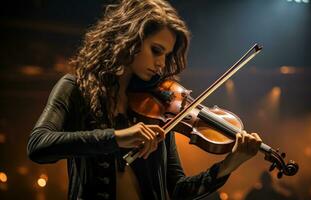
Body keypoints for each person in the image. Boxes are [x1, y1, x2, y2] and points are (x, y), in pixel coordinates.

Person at [27, 0, 262, 199]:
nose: (161, 63)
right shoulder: (75, 88)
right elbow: (39, 145)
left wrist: (228, 165)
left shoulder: (157, 106)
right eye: (156, 50)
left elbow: (177, 190)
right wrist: (118, 137)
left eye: (167, 55)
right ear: (129, 40)